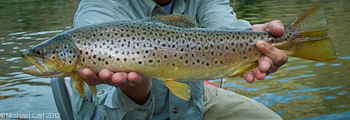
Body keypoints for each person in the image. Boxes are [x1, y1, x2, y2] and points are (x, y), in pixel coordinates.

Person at [69, 0, 287, 119]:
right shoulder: (97, 10)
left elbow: (225, 30)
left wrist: (259, 43)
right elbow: (110, 110)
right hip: (123, 110)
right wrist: (134, 87)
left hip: (191, 97)